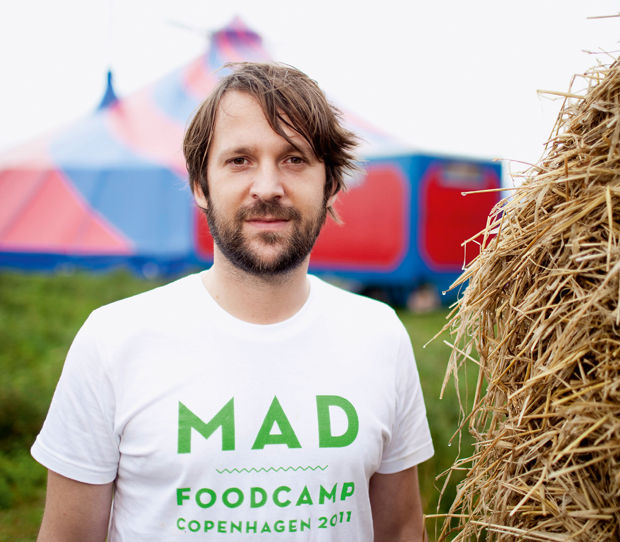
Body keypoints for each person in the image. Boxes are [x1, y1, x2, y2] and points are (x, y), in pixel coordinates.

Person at [31, 62, 434, 541]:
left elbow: (402, 529)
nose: (267, 187)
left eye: (294, 159)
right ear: (201, 186)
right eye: (239, 160)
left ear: (331, 187)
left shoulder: (380, 334)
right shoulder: (114, 339)